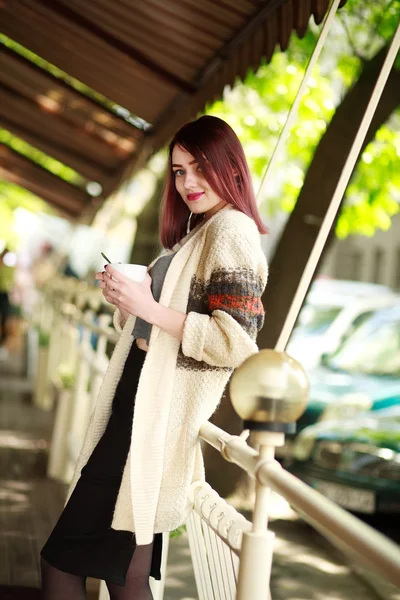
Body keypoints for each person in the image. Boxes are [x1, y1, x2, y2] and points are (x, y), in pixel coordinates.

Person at [40, 115, 269, 599]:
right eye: (179, 171)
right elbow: (156, 327)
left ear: (227, 166)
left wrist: (147, 306)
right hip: (138, 411)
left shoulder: (232, 230)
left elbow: (236, 343)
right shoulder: (199, 231)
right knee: (126, 577)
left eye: (198, 167)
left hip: (150, 420)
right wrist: (129, 305)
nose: (187, 182)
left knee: (63, 564)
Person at [0, 248, 15, 360]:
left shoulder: (8, 269)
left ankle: (3, 345)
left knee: (5, 318)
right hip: (3, 294)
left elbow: (10, 283)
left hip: (4, 295)